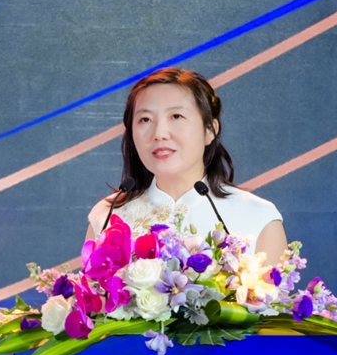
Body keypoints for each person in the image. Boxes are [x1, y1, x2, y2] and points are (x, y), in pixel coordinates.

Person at [86, 68, 288, 266]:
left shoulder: (258, 218)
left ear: (210, 130)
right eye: (145, 119)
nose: (159, 134)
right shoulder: (107, 217)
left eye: (176, 116)